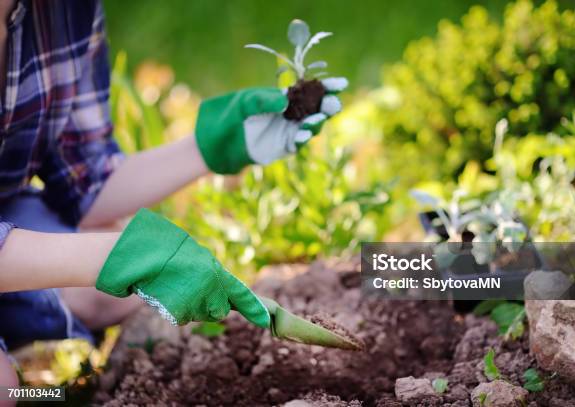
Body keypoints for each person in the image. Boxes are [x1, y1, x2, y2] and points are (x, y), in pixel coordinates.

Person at [0, 0, 346, 389]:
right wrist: (120, 257)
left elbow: (85, 181)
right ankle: (40, 393)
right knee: (4, 390)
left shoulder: (64, 11)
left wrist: (206, 148)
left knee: (112, 287)